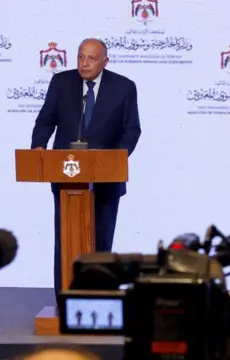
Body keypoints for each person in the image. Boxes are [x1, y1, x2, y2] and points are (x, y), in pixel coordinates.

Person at [30, 38, 141, 302]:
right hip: (66, 177)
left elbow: (131, 130)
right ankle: (65, 298)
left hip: (107, 180)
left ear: (105, 61)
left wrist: (116, 158)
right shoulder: (61, 83)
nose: (84, 63)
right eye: (80, 57)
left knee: (101, 242)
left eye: (91, 59)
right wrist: (38, 146)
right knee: (65, 240)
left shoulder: (124, 87)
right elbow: (46, 120)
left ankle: (99, 297)